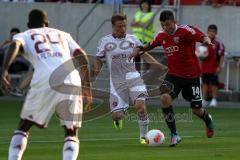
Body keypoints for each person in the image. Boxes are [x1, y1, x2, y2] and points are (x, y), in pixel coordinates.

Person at [0, 9, 92, 160]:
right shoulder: (63, 34)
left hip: (45, 78)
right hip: (72, 78)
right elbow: (81, 56)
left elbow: (14, 45)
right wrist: (87, 87)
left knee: (24, 127)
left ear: (28, 24)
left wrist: (4, 70)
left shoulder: (24, 35)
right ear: (47, 23)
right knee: (71, 131)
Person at [129, 10, 214, 147]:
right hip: (173, 75)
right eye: (163, 25)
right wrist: (139, 49)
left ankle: (207, 119)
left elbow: (201, 36)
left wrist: (206, 40)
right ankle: (174, 134)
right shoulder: (162, 35)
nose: (166, 28)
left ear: (174, 22)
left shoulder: (185, 30)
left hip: (192, 76)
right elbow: (150, 44)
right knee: (164, 98)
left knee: (196, 109)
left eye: (168, 24)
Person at [93, 13, 165, 144]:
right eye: (120, 26)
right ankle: (119, 115)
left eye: (124, 25)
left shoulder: (133, 39)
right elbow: (98, 58)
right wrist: (96, 71)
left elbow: (144, 54)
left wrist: (158, 65)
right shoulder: (105, 41)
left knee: (140, 107)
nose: (123, 28)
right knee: (117, 116)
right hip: (116, 81)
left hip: (134, 77)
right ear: (113, 26)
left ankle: (143, 137)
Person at [200, 24, 225, 107]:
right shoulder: (204, 42)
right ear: (207, 32)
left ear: (216, 32)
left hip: (214, 67)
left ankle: (214, 100)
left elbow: (222, 55)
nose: (212, 33)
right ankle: (204, 99)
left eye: (214, 32)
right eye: (210, 31)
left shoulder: (219, 43)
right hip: (205, 67)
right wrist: (199, 66)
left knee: (214, 84)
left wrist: (220, 66)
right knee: (204, 83)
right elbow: (200, 55)